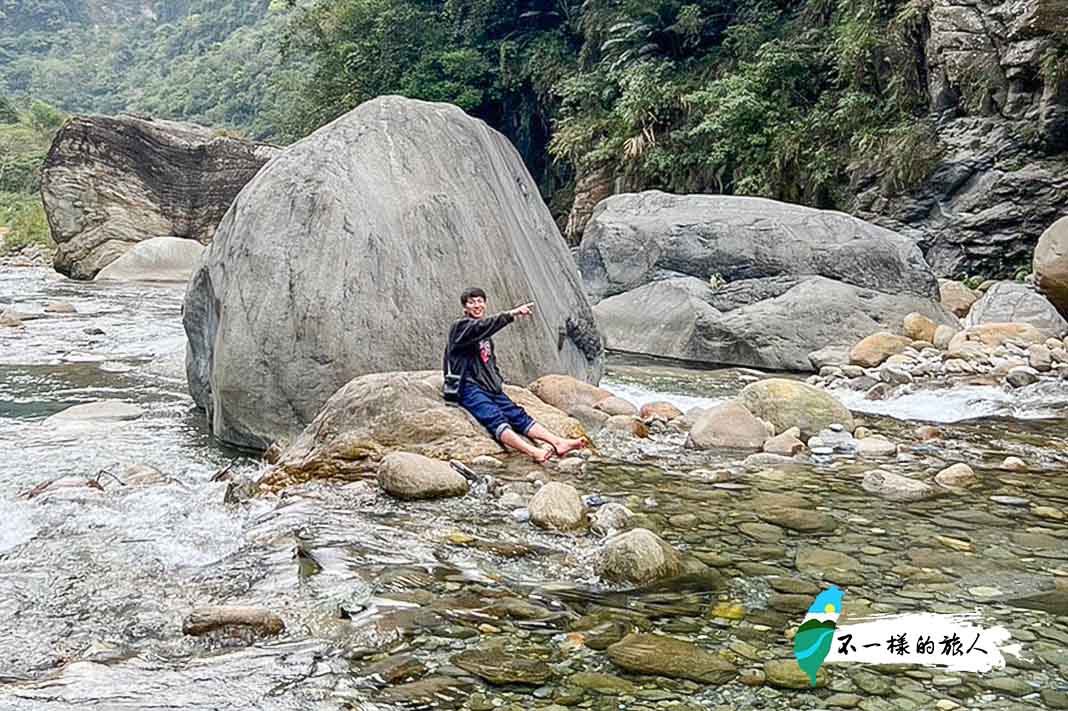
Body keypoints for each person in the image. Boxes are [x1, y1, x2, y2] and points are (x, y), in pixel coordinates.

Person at [444, 287, 587, 463]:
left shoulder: (485, 335)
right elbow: (481, 326)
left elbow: (489, 361)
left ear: (485, 303)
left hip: (488, 386)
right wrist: (511, 314)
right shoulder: (461, 327)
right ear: (465, 307)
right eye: (472, 302)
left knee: (517, 414)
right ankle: (533, 452)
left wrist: (497, 381)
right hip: (468, 386)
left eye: (480, 301)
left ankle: (558, 442)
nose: (477, 305)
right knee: (494, 417)